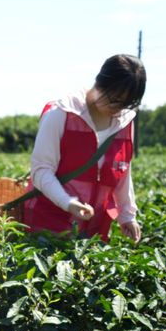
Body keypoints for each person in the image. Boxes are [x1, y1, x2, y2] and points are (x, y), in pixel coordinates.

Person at [23, 54, 146, 242]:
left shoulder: (124, 121)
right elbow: (41, 171)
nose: (118, 109)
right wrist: (68, 203)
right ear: (100, 82)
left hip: (94, 228)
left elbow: (123, 171)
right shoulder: (61, 114)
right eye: (115, 99)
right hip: (49, 223)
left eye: (126, 103)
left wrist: (127, 215)